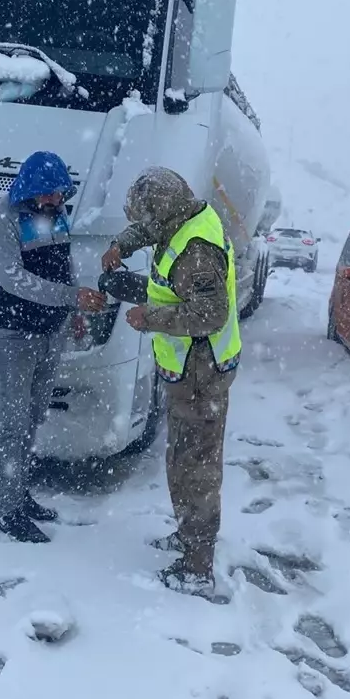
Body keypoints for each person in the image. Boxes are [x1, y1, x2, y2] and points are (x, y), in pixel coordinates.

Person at [100, 167, 241, 598]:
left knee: (195, 468)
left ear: (164, 212)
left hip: (202, 373)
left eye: (148, 217)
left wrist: (150, 318)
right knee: (181, 458)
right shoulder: (183, 218)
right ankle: (187, 536)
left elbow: (210, 315)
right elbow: (147, 230)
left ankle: (197, 568)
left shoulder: (196, 250)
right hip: (188, 371)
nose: (146, 226)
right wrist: (119, 244)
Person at [0, 151, 107, 543]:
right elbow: (13, 280)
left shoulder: (54, 211)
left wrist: (74, 313)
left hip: (50, 333)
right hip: (11, 335)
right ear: (29, 188)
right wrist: (72, 297)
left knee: (33, 416)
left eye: (59, 194)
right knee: (12, 423)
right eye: (49, 195)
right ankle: (10, 510)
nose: (56, 201)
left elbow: (63, 259)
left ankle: (20, 493)